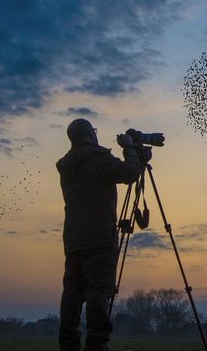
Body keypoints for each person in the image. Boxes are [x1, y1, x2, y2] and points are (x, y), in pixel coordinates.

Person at [57, 118, 141, 351]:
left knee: (72, 292)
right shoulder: (97, 158)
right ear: (89, 134)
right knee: (98, 290)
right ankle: (96, 344)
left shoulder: (67, 164)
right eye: (94, 131)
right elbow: (131, 173)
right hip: (99, 237)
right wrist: (130, 149)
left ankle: (68, 343)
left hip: (74, 239)